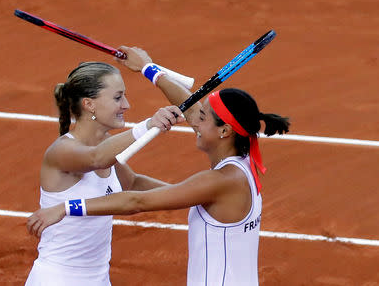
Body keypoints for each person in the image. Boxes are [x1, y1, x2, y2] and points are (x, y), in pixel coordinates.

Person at [27, 48, 290, 286]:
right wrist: (148, 68)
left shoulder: (222, 180)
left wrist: (66, 208)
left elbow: (134, 200)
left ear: (224, 131)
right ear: (89, 104)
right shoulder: (241, 163)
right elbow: (113, 170)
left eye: (201, 118)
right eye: (118, 97)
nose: (194, 121)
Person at [24, 60, 185, 286]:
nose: (126, 105)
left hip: (98, 278)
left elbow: (133, 183)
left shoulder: (106, 145)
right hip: (58, 279)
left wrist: (190, 194)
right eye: (118, 97)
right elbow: (96, 158)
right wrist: (148, 125)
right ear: (89, 104)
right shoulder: (62, 151)